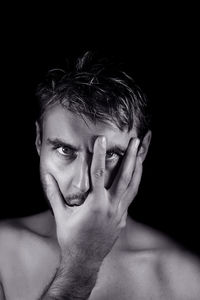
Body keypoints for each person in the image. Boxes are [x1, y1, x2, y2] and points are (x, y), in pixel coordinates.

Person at [0, 51, 199, 300]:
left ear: (142, 150)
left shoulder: (187, 280)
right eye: (65, 150)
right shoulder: (2, 256)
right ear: (39, 140)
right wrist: (80, 267)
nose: (83, 184)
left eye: (109, 154)